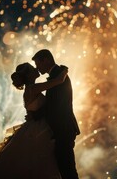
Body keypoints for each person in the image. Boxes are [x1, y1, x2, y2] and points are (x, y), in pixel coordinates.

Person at [0, 62, 68, 179]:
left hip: (35, 127)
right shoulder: (33, 88)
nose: (36, 68)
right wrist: (65, 69)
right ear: (28, 75)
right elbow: (58, 80)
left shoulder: (30, 89)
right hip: (38, 131)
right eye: (33, 68)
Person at [32, 49, 81, 179]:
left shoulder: (59, 75)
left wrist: (36, 115)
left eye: (38, 64)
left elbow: (54, 104)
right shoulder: (59, 74)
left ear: (46, 60)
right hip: (62, 129)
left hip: (63, 129)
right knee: (65, 168)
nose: (37, 68)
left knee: (67, 169)